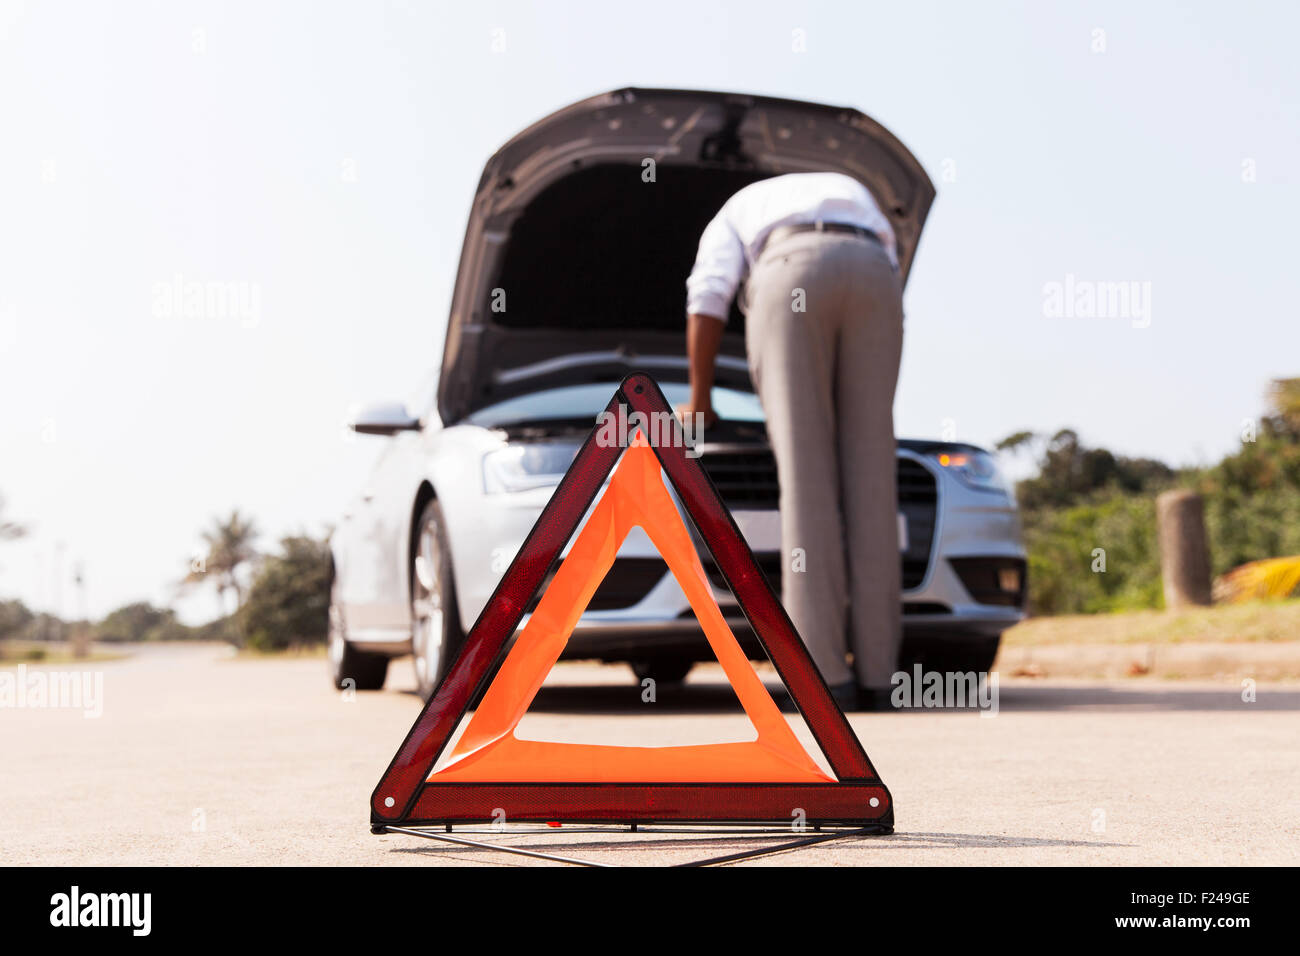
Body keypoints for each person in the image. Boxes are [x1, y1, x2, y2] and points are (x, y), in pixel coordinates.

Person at [678, 171, 905, 711]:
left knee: (806, 478)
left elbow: (709, 294)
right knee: (874, 480)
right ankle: (882, 676)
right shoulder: (853, 186)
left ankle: (826, 678)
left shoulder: (736, 206)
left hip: (790, 270)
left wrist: (700, 396)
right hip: (875, 274)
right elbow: (891, 263)